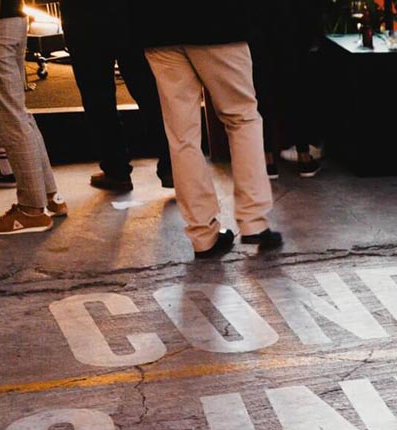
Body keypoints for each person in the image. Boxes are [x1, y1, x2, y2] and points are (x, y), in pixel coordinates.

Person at [131, 0, 282, 258]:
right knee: (242, 119)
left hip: (157, 25)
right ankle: (253, 221)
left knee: (182, 136)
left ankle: (202, 235)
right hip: (219, 21)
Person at [0, 0, 67, 236]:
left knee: (9, 120)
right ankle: (49, 196)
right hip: (7, 22)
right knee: (18, 115)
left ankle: (32, 210)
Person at [63, 0, 173, 192]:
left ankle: (116, 170)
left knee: (97, 96)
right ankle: (171, 165)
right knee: (148, 92)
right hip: (130, 14)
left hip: (84, 18)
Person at [249, 0, 326, 180]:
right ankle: (304, 157)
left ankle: (268, 161)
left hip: (260, 36)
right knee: (297, 95)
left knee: (262, 96)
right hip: (293, 34)